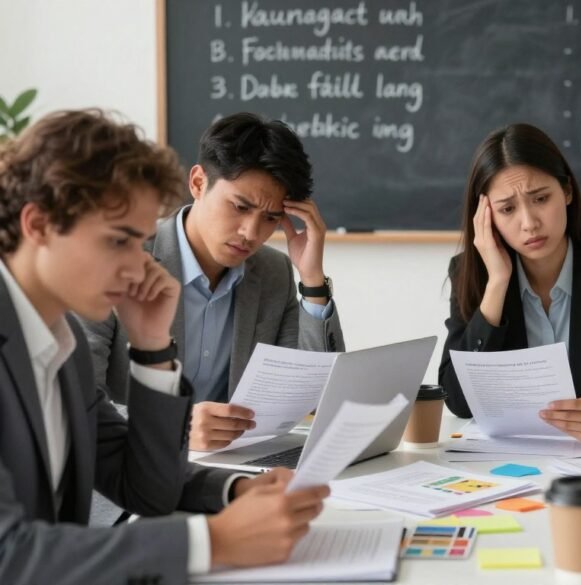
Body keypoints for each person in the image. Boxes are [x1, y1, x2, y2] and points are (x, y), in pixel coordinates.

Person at [0, 109, 328, 583]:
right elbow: (10, 555)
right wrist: (214, 542)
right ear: (39, 224)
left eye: (141, 242)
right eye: (119, 241)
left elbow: (144, 487)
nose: (139, 269)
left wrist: (153, 349)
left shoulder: (57, 344)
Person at [78, 112, 344, 451]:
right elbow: (76, 407)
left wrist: (312, 280)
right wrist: (172, 428)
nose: (251, 233)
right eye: (240, 206)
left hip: (223, 473)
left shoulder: (274, 273)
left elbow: (312, 395)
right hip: (125, 482)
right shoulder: (117, 262)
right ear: (198, 183)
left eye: (271, 218)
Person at [439, 123, 581, 445]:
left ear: (567, 191)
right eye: (507, 209)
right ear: (486, 217)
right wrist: (497, 284)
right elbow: (457, 400)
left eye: (540, 199)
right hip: (508, 466)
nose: (529, 223)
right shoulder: (471, 273)